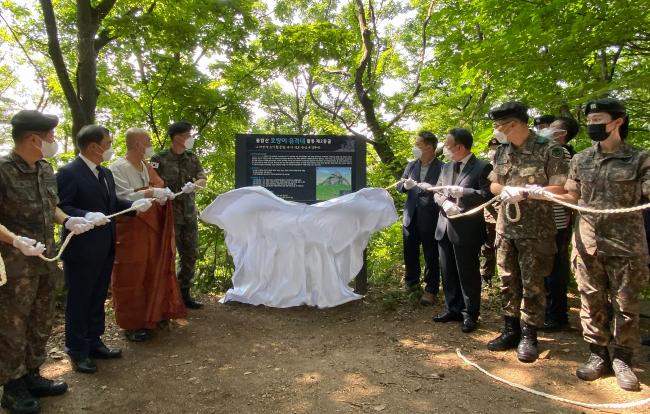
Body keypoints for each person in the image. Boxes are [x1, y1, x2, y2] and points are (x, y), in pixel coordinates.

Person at [0, 110, 95, 413]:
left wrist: (69, 220)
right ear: (33, 138)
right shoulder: (2, 170)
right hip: (14, 265)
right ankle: (12, 386)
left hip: (45, 260)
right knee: (13, 324)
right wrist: (14, 240)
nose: (54, 141)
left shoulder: (44, 168)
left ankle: (31, 374)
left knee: (40, 319)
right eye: (51, 137)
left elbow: (51, 207)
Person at [554, 98, 649, 391]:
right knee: (591, 299)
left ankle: (623, 359)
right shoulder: (581, 159)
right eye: (590, 120)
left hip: (626, 244)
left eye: (599, 120)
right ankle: (597, 355)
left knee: (626, 303)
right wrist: (543, 195)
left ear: (618, 121)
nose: (593, 125)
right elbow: (572, 194)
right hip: (588, 241)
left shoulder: (640, 158)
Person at [57, 125, 152, 374]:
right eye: (108, 143)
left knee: (97, 296)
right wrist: (83, 214)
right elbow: (61, 207)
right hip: (81, 249)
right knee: (79, 300)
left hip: (106, 245)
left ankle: (94, 341)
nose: (111, 147)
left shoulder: (106, 173)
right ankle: (77, 350)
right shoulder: (69, 173)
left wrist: (133, 205)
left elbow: (111, 205)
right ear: (93, 147)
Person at [485, 101, 569, 363]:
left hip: (537, 231)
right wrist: (506, 191)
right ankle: (510, 329)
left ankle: (529, 335)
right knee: (508, 280)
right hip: (506, 228)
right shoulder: (502, 152)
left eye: (500, 125)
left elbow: (561, 190)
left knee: (533, 284)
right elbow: (494, 186)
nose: (497, 130)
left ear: (514, 124)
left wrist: (530, 193)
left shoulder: (550, 151)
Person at [109, 128, 186, 342]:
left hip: (151, 226)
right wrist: (151, 192)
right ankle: (132, 323)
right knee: (131, 274)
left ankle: (153, 315)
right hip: (131, 227)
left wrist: (161, 194)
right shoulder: (118, 167)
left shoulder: (145, 165)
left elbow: (156, 185)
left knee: (153, 269)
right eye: (148, 141)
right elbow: (122, 196)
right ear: (137, 145)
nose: (151, 144)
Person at [432, 128, 492, 332]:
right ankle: (453, 308)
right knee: (447, 269)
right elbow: (436, 191)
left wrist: (464, 192)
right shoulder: (446, 167)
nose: (445, 149)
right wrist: (445, 204)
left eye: (447, 145)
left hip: (467, 228)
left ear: (459, 146)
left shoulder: (483, 166)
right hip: (444, 224)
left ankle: (470, 313)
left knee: (467, 272)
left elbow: (487, 195)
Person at [151, 122, 207, 309]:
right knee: (168, 254)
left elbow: (203, 179)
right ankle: (167, 296)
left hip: (189, 214)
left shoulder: (192, 158)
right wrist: (161, 190)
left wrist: (195, 184)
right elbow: (150, 182)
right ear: (176, 137)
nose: (190, 138)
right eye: (186, 134)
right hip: (168, 215)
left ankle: (184, 294)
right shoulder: (159, 158)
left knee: (190, 254)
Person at [538, 117, 580, 331]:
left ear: (561, 134)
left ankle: (556, 315)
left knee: (554, 268)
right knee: (547, 268)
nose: (544, 130)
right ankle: (550, 312)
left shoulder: (559, 152)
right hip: (544, 219)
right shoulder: (550, 150)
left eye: (551, 128)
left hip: (556, 219)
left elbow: (558, 187)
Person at [396, 131, 443, 305]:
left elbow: (444, 191)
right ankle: (411, 283)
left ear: (429, 147)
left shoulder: (442, 167)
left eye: (418, 144)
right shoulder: (411, 165)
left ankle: (431, 289)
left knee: (431, 253)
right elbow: (400, 187)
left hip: (431, 217)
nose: (415, 147)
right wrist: (405, 186)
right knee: (410, 251)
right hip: (410, 216)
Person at [480, 138, 501, 286]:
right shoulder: (486, 168)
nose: (493, 151)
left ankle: (505, 279)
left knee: (504, 248)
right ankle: (486, 276)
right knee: (487, 246)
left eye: (497, 147)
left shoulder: (510, 165)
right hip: (489, 214)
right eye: (491, 148)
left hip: (508, 215)